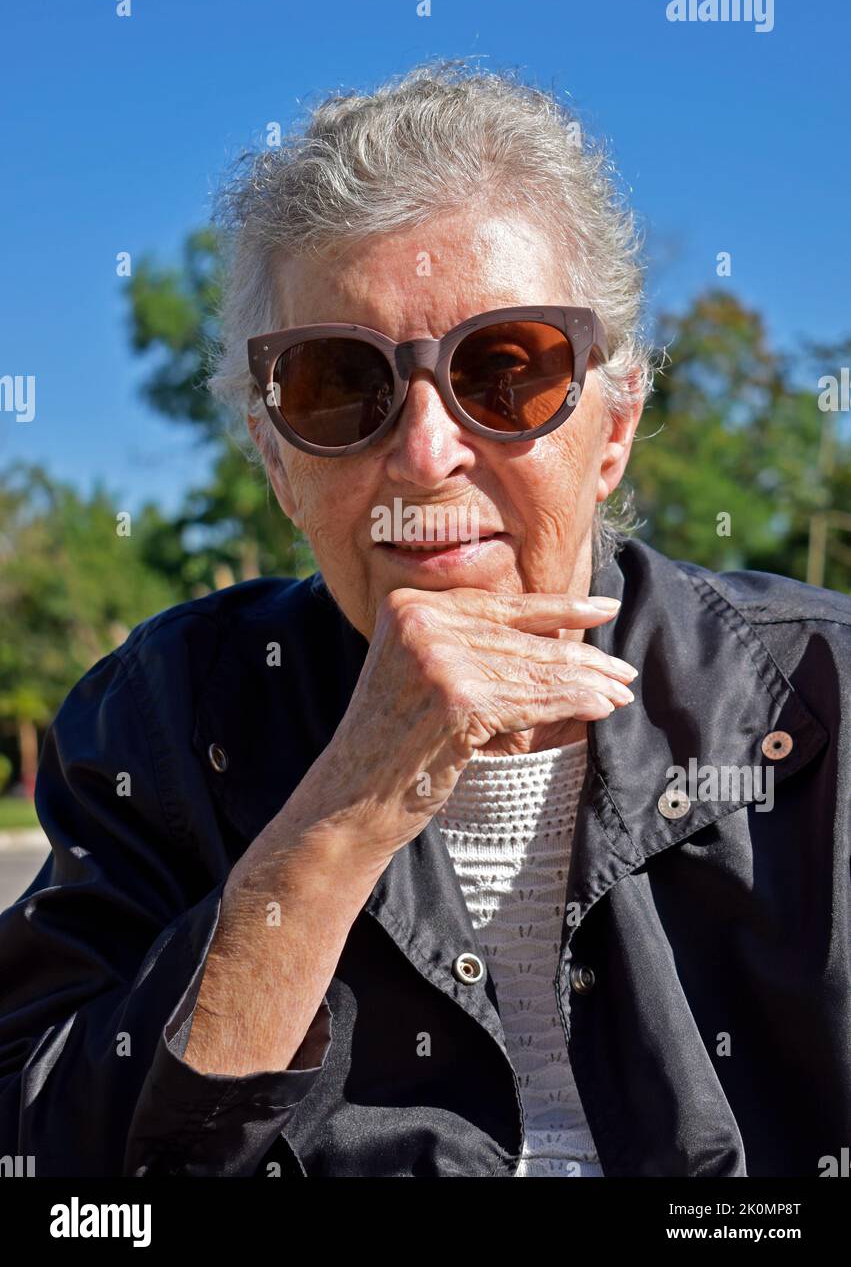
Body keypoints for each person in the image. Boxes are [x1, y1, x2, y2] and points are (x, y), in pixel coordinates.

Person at [0, 62, 848, 1178]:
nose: (423, 452)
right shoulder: (161, 724)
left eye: (506, 372)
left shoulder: (819, 703)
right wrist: (341, 812)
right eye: (336, 385)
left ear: (613, 428)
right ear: (274, 461)